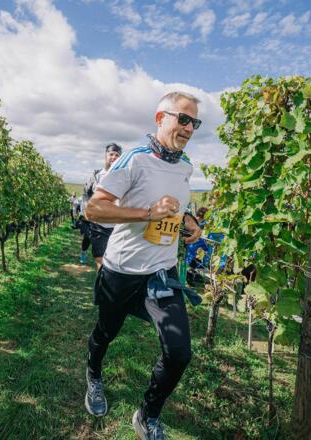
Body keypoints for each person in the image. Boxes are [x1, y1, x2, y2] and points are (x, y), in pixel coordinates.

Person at [83, 91, 202, 440]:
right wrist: (148, 213)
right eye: (183, 119)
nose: (189, 128)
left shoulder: (186, 165)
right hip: (121, 270)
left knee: (179, 353)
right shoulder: (134, 159)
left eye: (195, 122)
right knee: (106, 332)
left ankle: (147, 414)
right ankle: (94, 374)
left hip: (161, 273)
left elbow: (178, 209)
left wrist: (189, 221)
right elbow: (94, 209)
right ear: (160, 118)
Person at [81, 143, 123, 270]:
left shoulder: (124, 176)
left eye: (117, 155)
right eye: (111, 154)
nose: (114, 157)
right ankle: (101, 281)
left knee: (114, 261)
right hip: (98, 226)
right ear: (106, 156)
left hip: (117, 227)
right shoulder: (97, 175)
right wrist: (86, 211)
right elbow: (86, 194)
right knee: (100, 260)